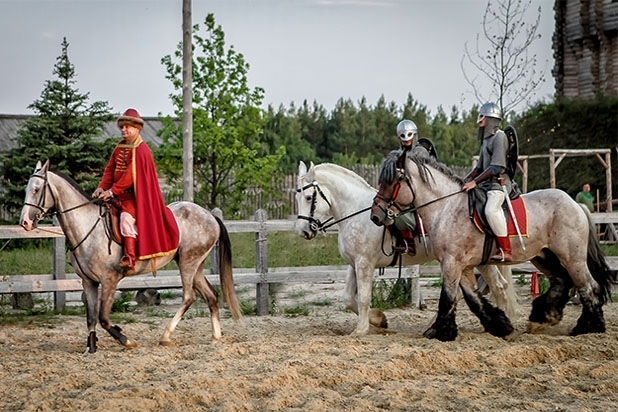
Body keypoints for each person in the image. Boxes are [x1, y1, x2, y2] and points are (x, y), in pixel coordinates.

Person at [93, 108, 179, 275]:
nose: (124, 130)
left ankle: (130, 257)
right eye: (122, 127)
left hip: (133, 198)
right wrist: (101, 187)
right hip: (116, 196)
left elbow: (129, 177)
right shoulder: (120, 147)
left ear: (137, 128)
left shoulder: (141, 149)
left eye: (128, 127)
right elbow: (110, 170)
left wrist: (111, 191)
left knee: (125, 220)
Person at [462, 102, 513, 262]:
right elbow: (479, 168)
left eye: (482, 116)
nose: (479, 120)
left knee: (491, 210)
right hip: (485, 185)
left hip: (499, 184)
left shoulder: (500, 136)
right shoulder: (486, 140)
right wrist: (465, 180)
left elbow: (497, 166)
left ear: (491, 119)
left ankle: (506, 249)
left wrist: (475, 183)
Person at [388, 120, 430, 254]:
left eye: (409, 136)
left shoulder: (421, 152)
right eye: (403, 137)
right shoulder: (396, 154)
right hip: (403, 191)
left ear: (414, 135)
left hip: (420, 191)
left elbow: (420, 176)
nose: (406, 140)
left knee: (398, 213)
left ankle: (409, 243)